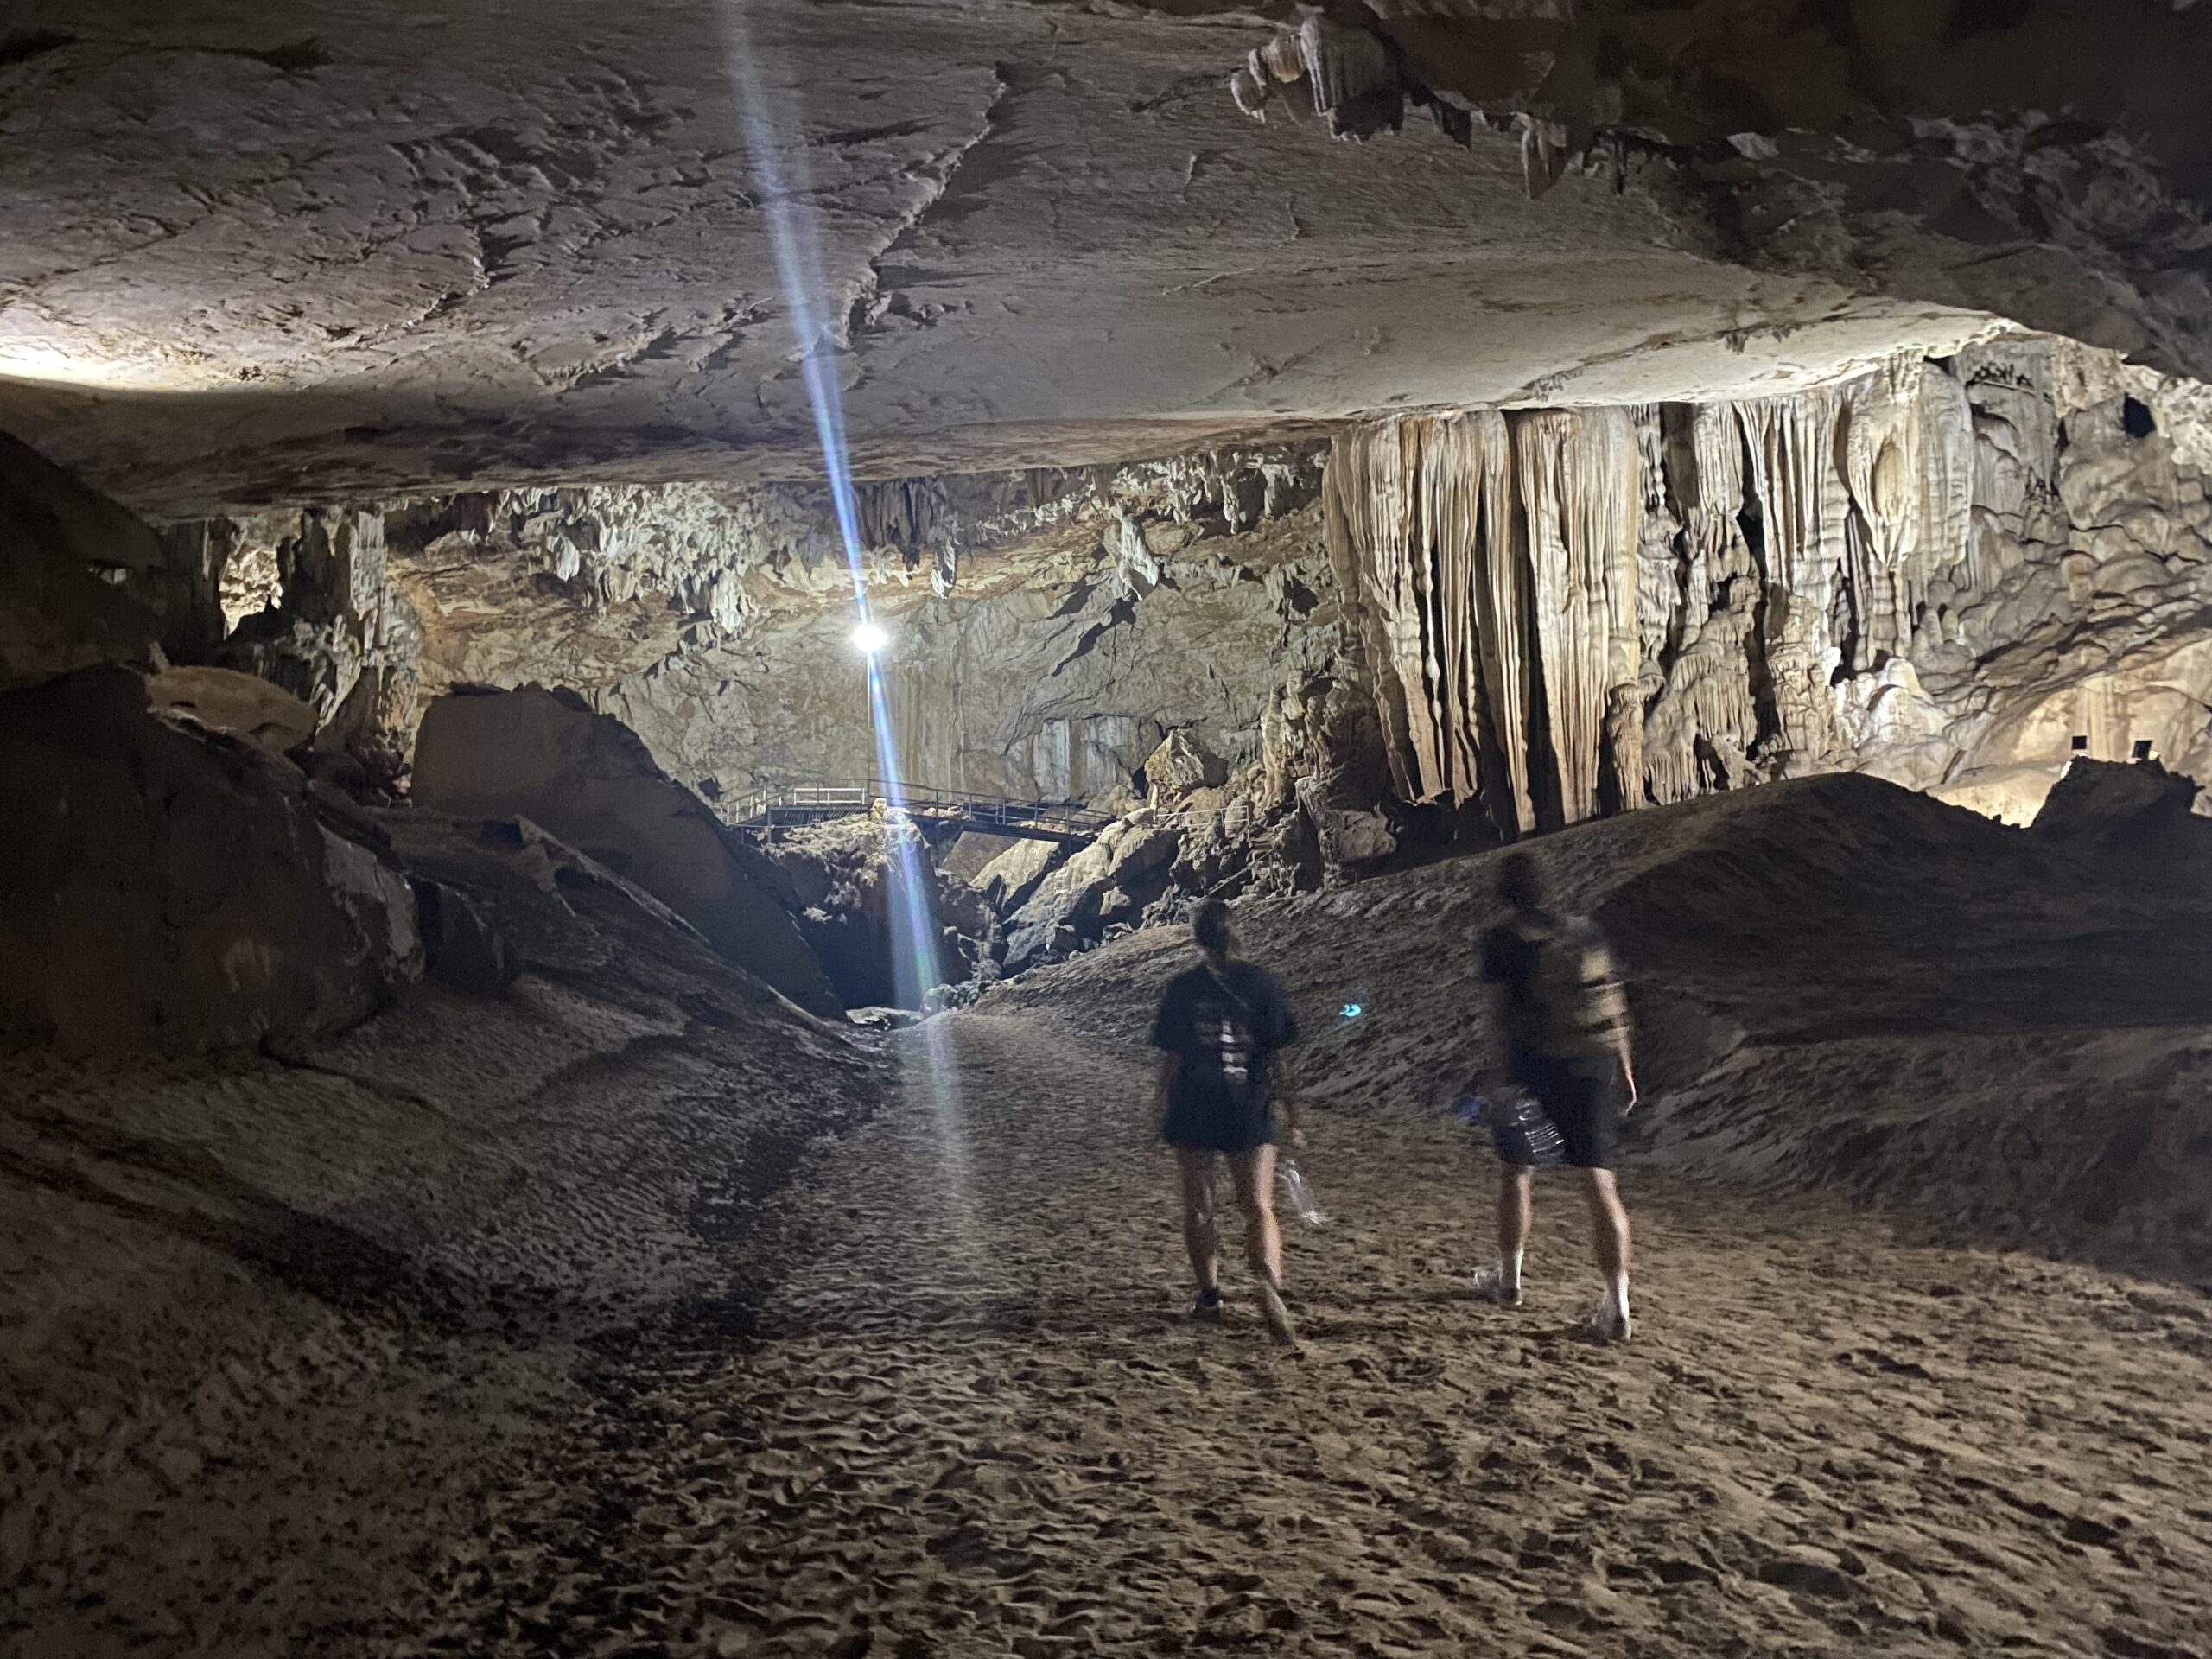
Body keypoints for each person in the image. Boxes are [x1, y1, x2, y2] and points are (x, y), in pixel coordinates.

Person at [1469, 851, 1640, 1341]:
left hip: (1534, 1067)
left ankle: (1510, 1281)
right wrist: (1624, 1066)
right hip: (1593, 1065)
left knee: (1516, 1172)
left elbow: (1497, 1019)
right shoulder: (1585, 932)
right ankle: (1619, 1306)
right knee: (1600, 1184)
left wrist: (1499, 1078)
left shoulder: (1501, 941)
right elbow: (1613, 1000)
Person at [1151, 898, 1301, 1344]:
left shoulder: (1182, 989)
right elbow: (1279, 1058)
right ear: (1236, 931)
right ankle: (1269, 1286)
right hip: (1247, 1103)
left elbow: (1172, 1059)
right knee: (1258, 1205)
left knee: (1200, 1205)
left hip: (1195, 1103)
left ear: (1196, 937)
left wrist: (1158, 1106)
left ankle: (1211, 1296)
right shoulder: (1263, 984)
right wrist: (1293, 1114)